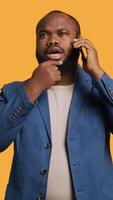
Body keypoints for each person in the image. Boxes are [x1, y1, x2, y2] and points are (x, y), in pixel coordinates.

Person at [0, 10, 113, 200]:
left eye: (62, 33)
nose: (52, 40)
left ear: (79, 43)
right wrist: (33, 89)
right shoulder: (13, 92)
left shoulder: (99, 89)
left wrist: (98, 74)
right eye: (43, 35)